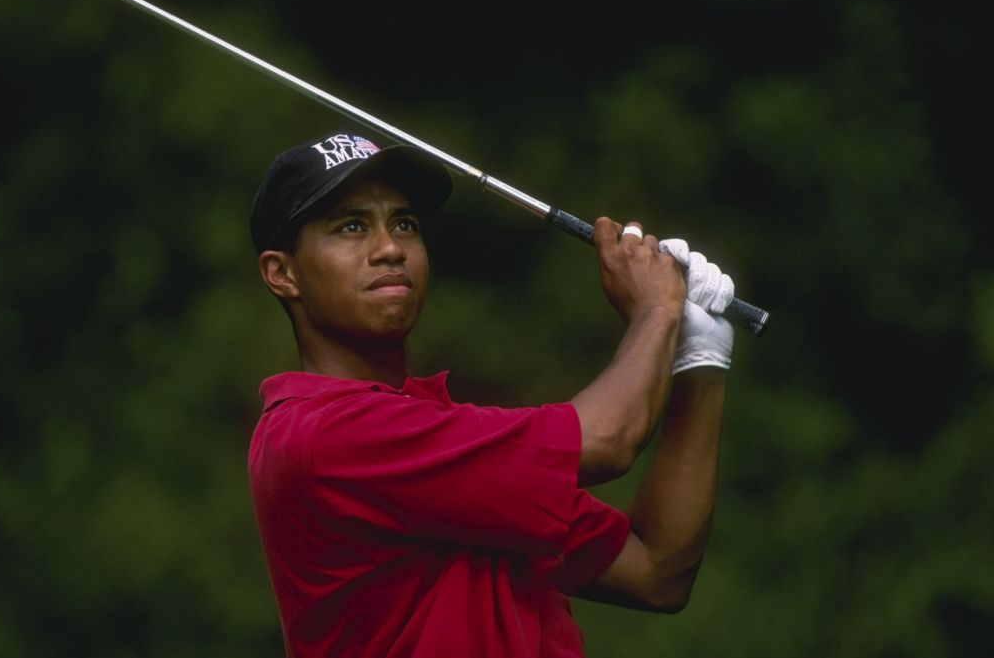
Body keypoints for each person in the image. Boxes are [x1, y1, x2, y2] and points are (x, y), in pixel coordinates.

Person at [247, 131, 736, 657]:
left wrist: (701, 361)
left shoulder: (442, 440)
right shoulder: (322, 435)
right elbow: (608, 440)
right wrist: (657, 310)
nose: (390, 248)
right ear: (283, 273)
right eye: (350, 226)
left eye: (404, 224)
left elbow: (656, 571)